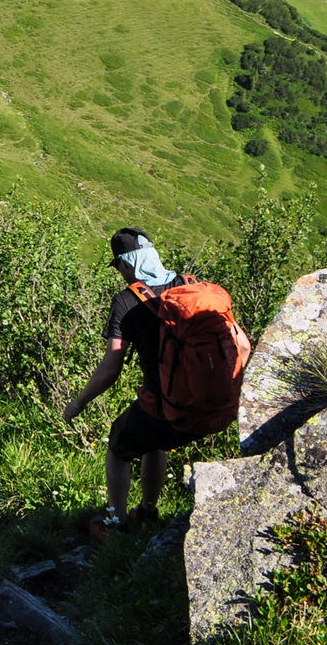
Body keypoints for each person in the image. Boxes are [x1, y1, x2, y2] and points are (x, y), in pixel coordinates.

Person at [62, 227, 214, 536]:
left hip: (167, 405)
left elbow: (110, 369)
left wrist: (78, 402)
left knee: (119, 445)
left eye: (117, 265)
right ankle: (147, 512)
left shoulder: (127, 302)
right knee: (151, 437)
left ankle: (115, 524)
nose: (119, 272)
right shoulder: (192, 285)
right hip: (214, 403)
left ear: (126, 263)